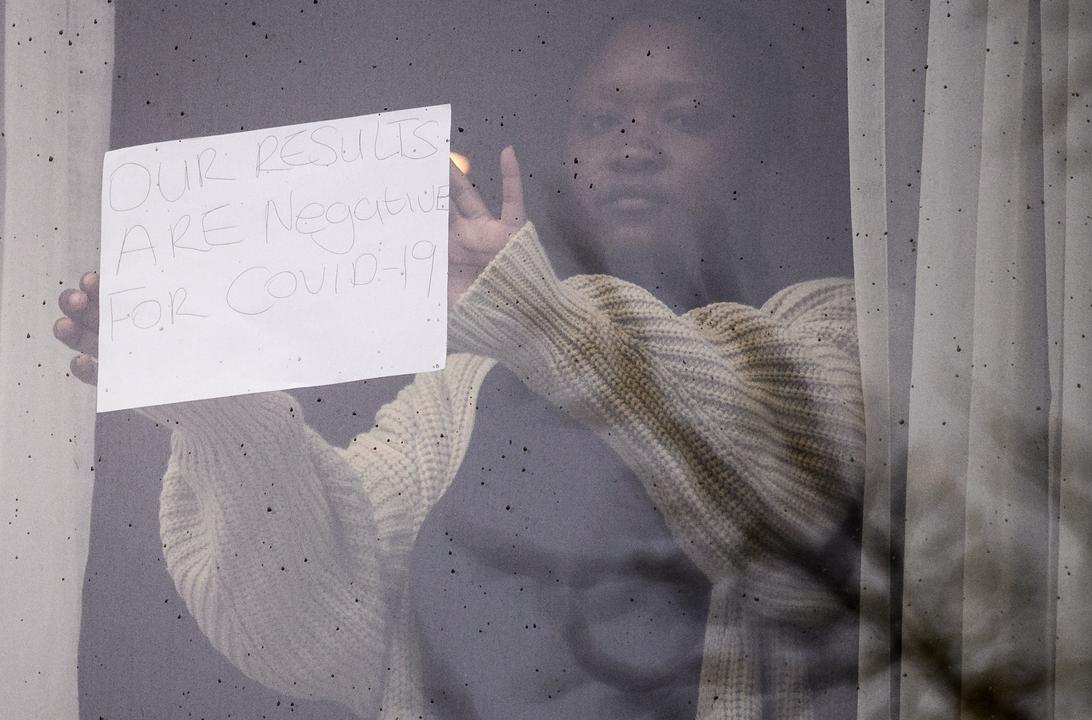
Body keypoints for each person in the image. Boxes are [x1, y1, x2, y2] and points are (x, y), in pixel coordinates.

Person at [55, 4, 864, 718]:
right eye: (599, 118)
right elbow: (317, 624)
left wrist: (538, 316)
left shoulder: (839, 332)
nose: (630, 148)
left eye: (686, 116)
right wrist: (212, 392)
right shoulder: (464, 394)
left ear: (771, 159)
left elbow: (789, 498)